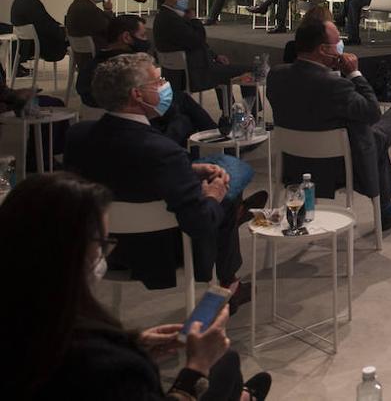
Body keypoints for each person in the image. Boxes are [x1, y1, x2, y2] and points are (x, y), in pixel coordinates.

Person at [0, 172, 271, 401]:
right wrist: (197, 365)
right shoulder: (106, 367)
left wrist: (135, 342)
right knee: (227, 365)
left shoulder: (30, 319)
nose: (104, 256)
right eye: (102, 245)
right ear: (71, 255)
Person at [63, 54, 263, 306]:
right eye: (158, 82)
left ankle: (233, 218)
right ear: (137, 95)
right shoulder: (163, 151)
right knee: (230, 176)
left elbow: (127, 177)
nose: (166, 86)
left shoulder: (77, 137)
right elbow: (200, 223)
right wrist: (214, 194)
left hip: (102, 246)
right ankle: (232, 236)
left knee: (224, 170)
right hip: (161, 253)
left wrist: (188, 172)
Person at [266, 19, 391, 230]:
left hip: (294, 164)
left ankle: (387, 208)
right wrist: (354, 73)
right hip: (338, 167)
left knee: (369, 134)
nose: (340, 47)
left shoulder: (276, 76)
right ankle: (386, 209)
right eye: (337, 43)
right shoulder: (335, 85)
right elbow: (372, 112)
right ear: (324, 50)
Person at [78, 15, 216, 145]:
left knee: (181, 103)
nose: (146, 40)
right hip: (138, 122)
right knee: (184, 115)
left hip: (107, 121)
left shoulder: (92, 64)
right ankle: (217, 140)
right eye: (142, 35)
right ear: (126, 37)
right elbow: (151, 103)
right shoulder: (131, 67)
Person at [152, 0, 253, 115]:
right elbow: (198, 40)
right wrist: (194, 20)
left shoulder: (166, 16)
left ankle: (228, 112)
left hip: (184, 69)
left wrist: (215, 56)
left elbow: (192, 43)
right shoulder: (171, 19)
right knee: (250, 71)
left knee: (223, 70)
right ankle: (253, 113)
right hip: (195, 72)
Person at [65, 0, 116, 87]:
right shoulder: (88, 8)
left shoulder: (76, 4)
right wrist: (108, 10)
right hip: (95, 53)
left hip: (82, 55)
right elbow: (110, 28)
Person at [10, 0, 67, 65]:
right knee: (78, 39)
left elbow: (45, 22)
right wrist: (65, 32)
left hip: (29, 44)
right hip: (40, 46)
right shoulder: (30, 2)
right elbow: (45, 26)